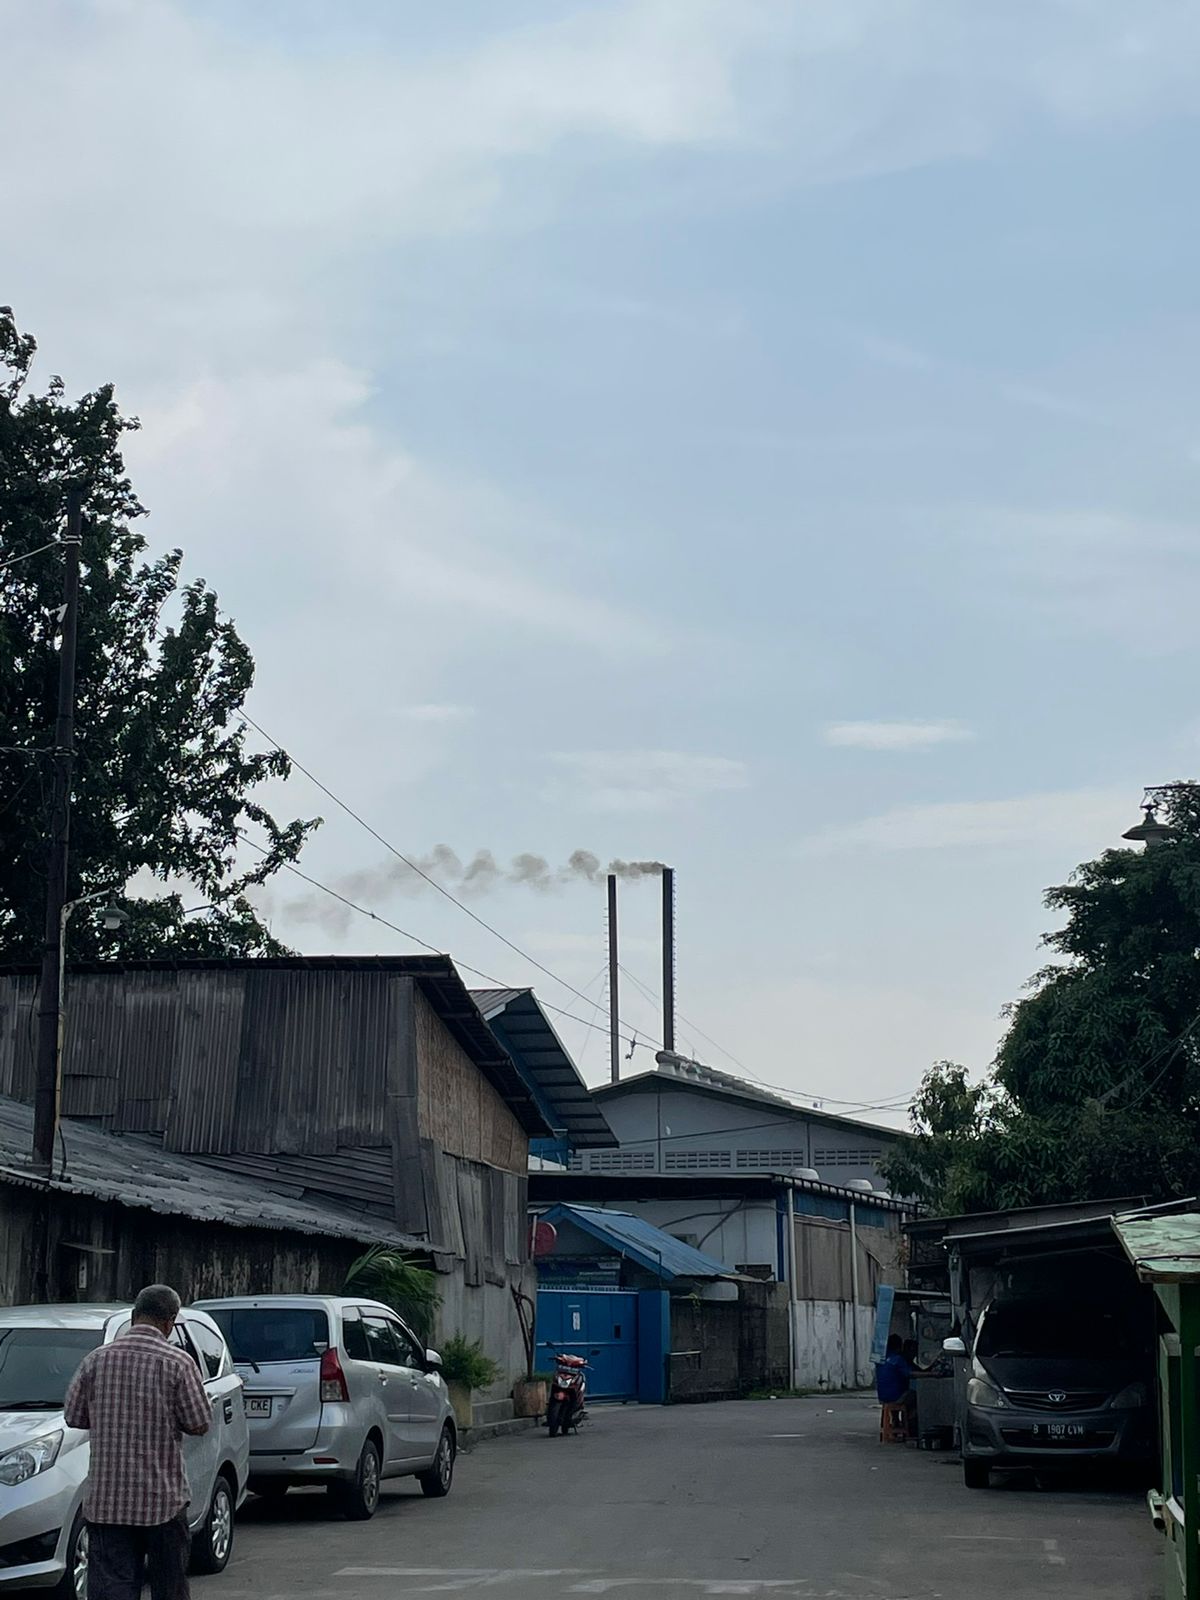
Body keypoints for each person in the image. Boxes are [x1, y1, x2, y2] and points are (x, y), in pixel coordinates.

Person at [64, 1284, 211, 1600]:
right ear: (170, 1321)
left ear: (134, 1316)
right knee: (169, 1590)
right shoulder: (178, 1363)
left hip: (107, 1504)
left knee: (112, 1590)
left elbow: (73, 1417)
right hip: (163, 1502)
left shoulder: (95, 1361)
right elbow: (199, 1423)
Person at [875, 1333, 912, 1405]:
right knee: (913, 1394)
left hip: (882, 1397)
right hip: (896, 1397)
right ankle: (910, 1412)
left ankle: (895, 1412)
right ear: (900, 1346)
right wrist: (930, 1374)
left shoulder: (881, 1359)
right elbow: (910, 1374)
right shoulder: (898, 1359)